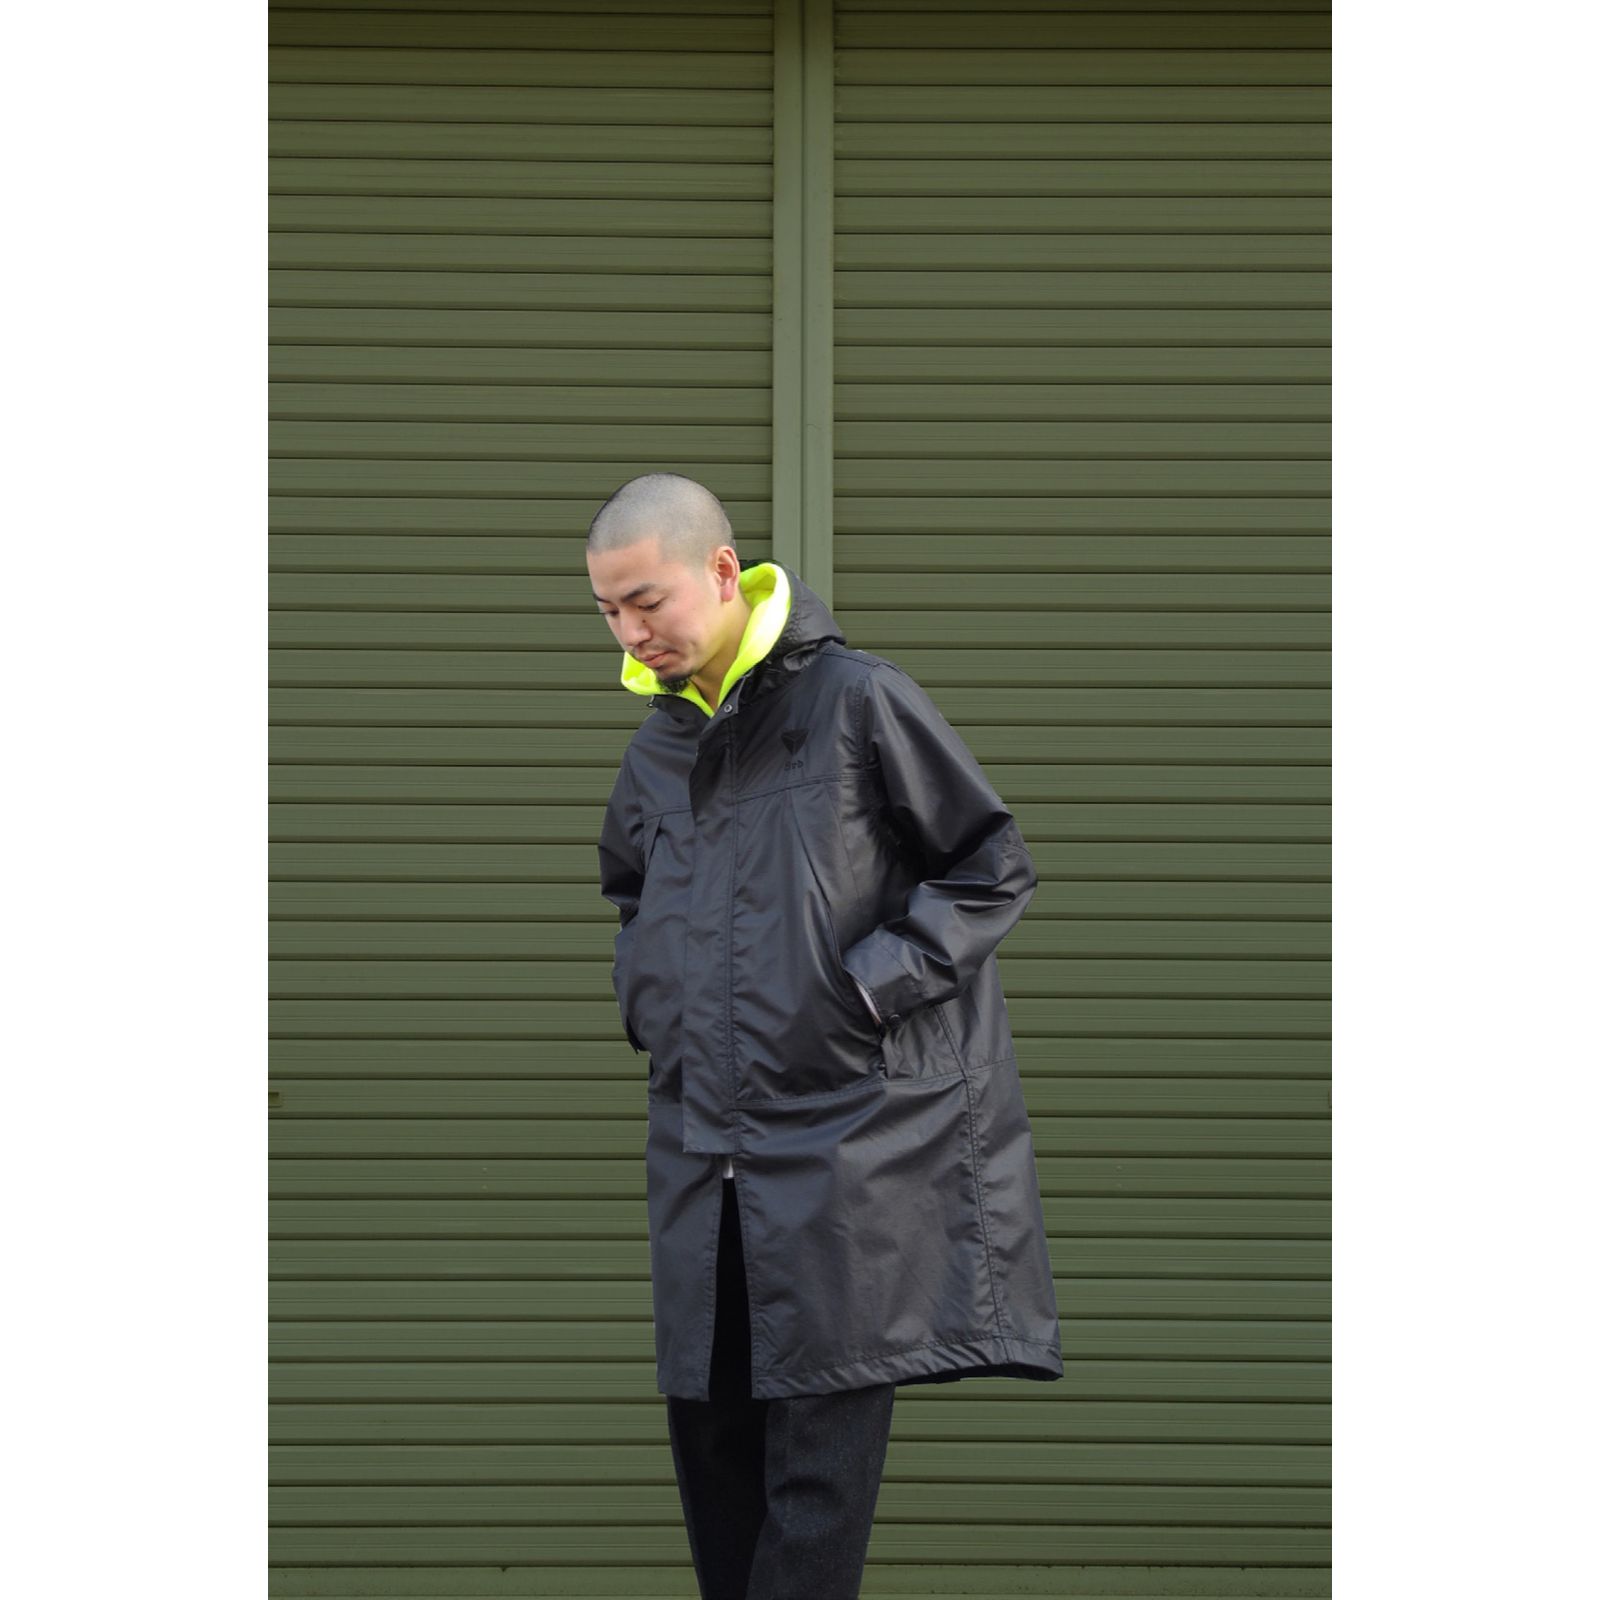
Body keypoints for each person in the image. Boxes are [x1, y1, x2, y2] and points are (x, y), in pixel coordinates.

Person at [590, 473, 1062, 1599]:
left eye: (646, 601)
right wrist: (652, 999)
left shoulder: (858, 702)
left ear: (721, 571)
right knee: (718, 1480)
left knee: (812, 1506)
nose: (630, 633)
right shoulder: (657, 751)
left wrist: (860, 994)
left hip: (845, 1163)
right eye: (607, 612)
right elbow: (631, 896)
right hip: (703, 1168)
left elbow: (988, 867)